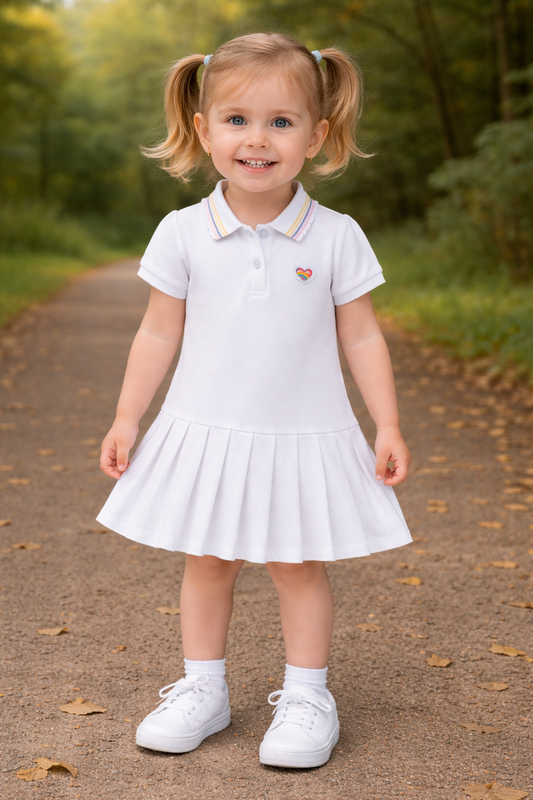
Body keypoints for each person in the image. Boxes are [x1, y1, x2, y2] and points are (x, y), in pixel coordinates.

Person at [97, 32, 412, 769]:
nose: (257, 139)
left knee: (297, 564)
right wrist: (126, 415)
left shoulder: (335, 236)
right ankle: (203, 689)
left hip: (303, 433)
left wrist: (387, 423)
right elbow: (155, 332)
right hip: (209, 429)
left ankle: (308, 697)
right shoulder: (183, 233)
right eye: (236, 120)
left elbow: (362, 337)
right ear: (204, 131)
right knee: (208, 559)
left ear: (316, 135)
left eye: (281, 121)